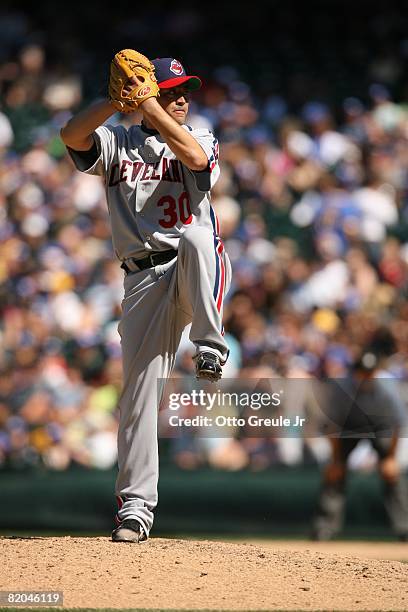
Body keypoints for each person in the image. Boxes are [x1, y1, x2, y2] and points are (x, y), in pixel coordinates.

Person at [60, 54, 231, 543]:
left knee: (198, 234)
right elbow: (72, 137)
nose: (182, 98)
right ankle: (136, 509)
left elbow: (196, 163)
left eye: (184, 91)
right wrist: (113, 103)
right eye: (172, 89)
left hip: (192, 269)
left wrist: (149, 103)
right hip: (141, 281)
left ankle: (211, 345)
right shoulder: (118, 139)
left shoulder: (200, 136)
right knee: (136, 398)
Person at [312, 328, 408, 541]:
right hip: (348, 428)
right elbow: (332, 428)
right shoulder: (342, 388)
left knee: (392, 474)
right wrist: (337, 460)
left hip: (380, 427)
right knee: (334, 473)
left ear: (375, 372)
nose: (365, 377)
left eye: (369, 373)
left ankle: (405, 528)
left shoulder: (387, 388)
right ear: (354, 372)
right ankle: (324, 528)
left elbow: (397, 425)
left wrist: (390, 458)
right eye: (362, 372)